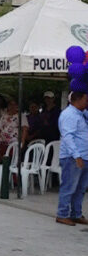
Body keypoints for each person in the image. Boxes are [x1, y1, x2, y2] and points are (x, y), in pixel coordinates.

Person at [56, 91, 88, 226]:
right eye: (86, 99)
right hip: (73, 157)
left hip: (84, 155)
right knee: (69, 186)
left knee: (80, 188)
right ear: (77, 99)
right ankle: (62, 214)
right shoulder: (69, 115)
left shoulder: (81, 114)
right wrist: (76, 155)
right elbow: (68, 137)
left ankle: (76, 213)